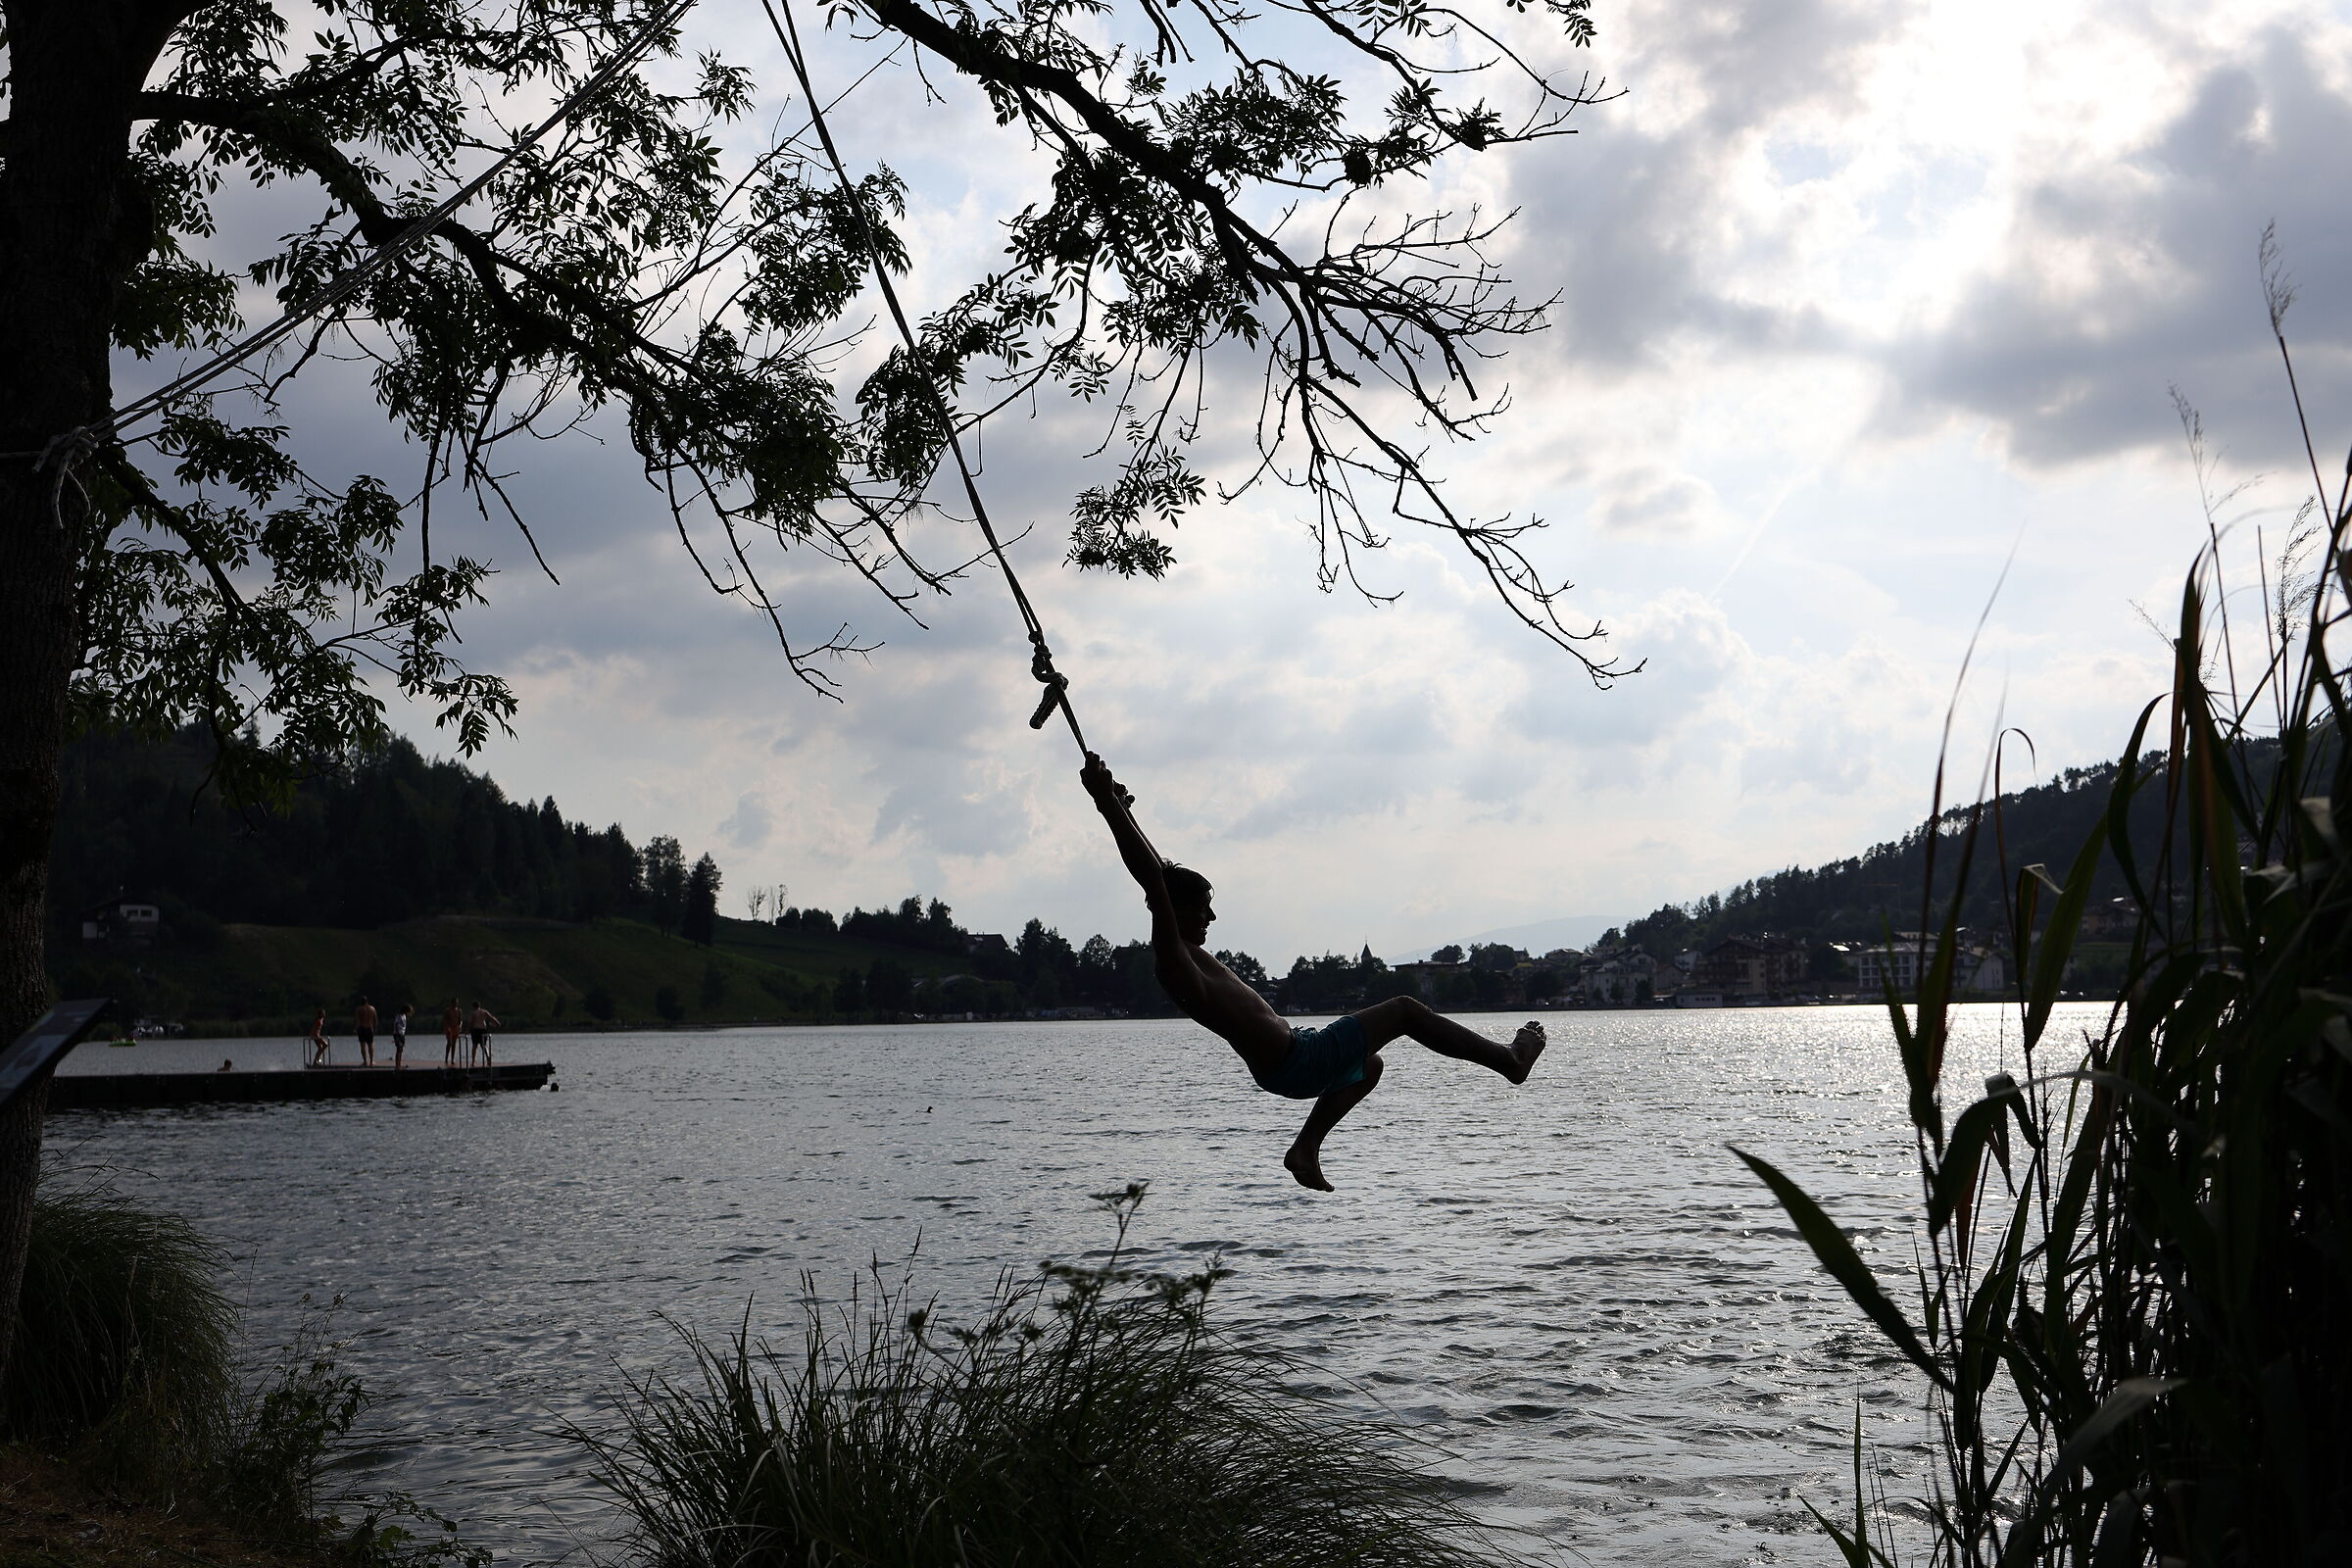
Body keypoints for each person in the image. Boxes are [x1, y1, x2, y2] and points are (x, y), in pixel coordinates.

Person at [1080, 753, 1545, 1192]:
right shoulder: (1173, 958)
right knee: (1405, 1010)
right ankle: (1509, 1061)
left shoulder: (1182, 950)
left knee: (1368, 1066)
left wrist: (1123, 808)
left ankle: (1305, 1149)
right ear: (1175, 910)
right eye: (1203, 907)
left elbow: (1160, 872)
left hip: (1287, 1062)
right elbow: (1155, 881)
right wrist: (1105, 804)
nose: (1212, 917)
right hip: (1298, 1060)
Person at [466, 1002, 500, 1066]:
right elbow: (491, 1018)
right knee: (483, 1045)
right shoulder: (484, 1011)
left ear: (473, 1006)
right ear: (479, 1006)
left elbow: (469, 1022)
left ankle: (473, 1062)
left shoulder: (473, 1013)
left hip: (476, 1029)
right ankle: (488, 1058)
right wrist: (497, 1023)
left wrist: (467, 1030)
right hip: (483, 1029)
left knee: (474, 1046)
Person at [355, 996, 378, 1066]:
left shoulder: (358, 1009)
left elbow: (357, 1020)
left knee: (363, 1046)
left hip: (362, 1028)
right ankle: (371, 1062)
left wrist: (356, 1029)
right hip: (370, 1028)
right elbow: (375, 1020)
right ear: (367, 1001)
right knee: (370, 1045)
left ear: (361, 1002)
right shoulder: (372, 1009)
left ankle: (365, 1062)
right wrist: (375, 1029)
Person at [443, 1000, 463, 1067]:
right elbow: (445, 1020)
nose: (455, 1004)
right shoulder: (447, 1011)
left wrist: (460, 1026)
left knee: (454, 1044)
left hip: (456, 1028)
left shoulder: (459, 1011)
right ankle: (446, 1058)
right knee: (449, 1043)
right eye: (454, 1003)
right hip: (449, 1028)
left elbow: (460, 1020)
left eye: (456, 1003)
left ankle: (452, 1059)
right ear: (451, 1003)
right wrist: (447, 1027)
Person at [391, 1004, 411, 1069]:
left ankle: (399, 1065)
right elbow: (396, 1025)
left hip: (402, 1034)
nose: (409, 1013)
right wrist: (397, 1035)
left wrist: (402, 1035)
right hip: (397, 1034)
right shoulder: (398, 1016)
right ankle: (397, 1065)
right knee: (399, 1049)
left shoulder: (404, 1016)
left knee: (401, 1049)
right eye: (408, 1011)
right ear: (405, 1010)